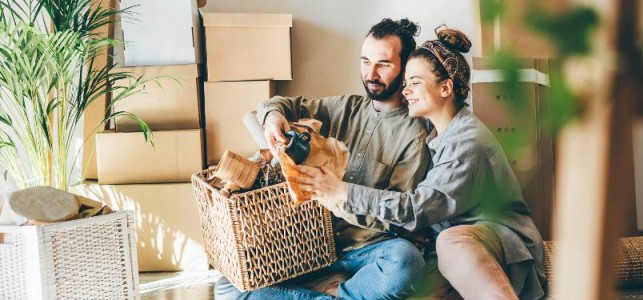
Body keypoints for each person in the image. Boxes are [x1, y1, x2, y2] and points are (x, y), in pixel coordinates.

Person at [295, 26, 547, 300]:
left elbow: (416, 208)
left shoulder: (466, 142)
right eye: (405, 83)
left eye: (414, 82)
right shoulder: (437, 132)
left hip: (499, 244)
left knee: (445, 246)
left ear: (445, 87)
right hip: (448, 244)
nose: (405, 91)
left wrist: (341, 191)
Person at [214, 18, 432, 300]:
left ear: (405, 68)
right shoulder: (346, 107)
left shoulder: (415, 135)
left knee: (407, 263)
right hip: (309, 246)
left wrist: (335, 195)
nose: (371, 73)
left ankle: (325, 291)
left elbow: (396, 216)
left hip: (369, 249)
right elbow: (280, 103)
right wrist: (273, 116)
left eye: (383, 64)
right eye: (365, 61)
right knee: (226, 285)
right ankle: (337, 295)